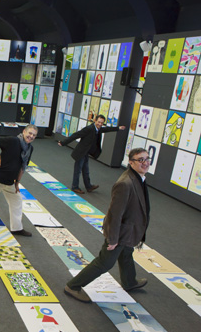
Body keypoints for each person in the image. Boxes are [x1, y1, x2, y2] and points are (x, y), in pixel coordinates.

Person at [64, 148, 151, 303]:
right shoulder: (125, 183)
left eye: (147, 159)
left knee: (126, 253)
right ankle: (73, 286)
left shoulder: (139, 178)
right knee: (105, 262)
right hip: (120, 232)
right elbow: (114, 214)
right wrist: (112, 239)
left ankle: (129, 282)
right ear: (131, 162)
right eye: (140, 160)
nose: (145, 163)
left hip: (128, 230)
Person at [58, 114, 126, 194]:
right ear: (95, 121)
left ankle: (89, 186)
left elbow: (107, 129)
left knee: (85, 170)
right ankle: (75, 187)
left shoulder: (98, 129)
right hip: (81, 152)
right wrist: (63, 143)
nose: (100, 124)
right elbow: (76, 135)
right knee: (78, 170)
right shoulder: (89, 129)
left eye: (102, 123)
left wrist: (118, 128)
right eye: (99, 122)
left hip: (86, 152)